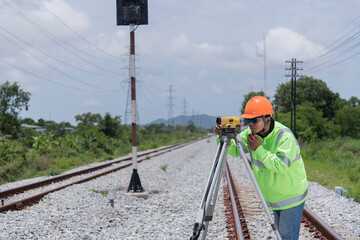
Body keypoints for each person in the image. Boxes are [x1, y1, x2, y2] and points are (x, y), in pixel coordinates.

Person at [214, 96, 308, 240]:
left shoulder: (284, 136)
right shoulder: (250, 135)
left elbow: (280, 165)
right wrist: (222, 137)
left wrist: (259, 149)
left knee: (286, 236)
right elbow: (234, 150)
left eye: (254, 120)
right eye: (247, 120)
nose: (250, 124)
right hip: (275, 196)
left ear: (267, 119)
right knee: (281, 236)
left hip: (291, 196)